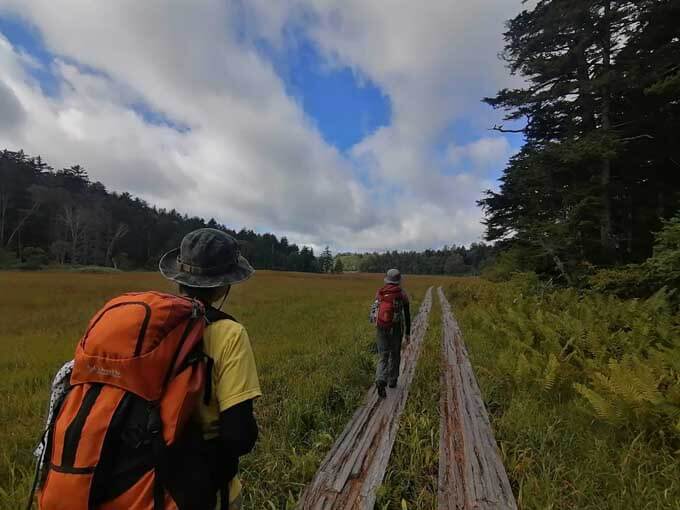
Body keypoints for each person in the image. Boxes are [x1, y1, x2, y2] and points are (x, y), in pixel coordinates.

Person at [159, 228, 261, 509]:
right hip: (206, 491)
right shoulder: (229, 333)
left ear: (179, 279)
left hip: (146, 485)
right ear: (224, 285)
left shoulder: (153, 327)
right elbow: (238, 435)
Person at [370, 268, 411, 398]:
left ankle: (381, 379)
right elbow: (407, 315)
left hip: (381, 327)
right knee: (395, 354)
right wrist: (407, 333)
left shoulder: (379, 293)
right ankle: (392, 381)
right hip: (396, 328)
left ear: (387, 279)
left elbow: (375, 311)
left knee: (383, 355)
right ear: (398, 280)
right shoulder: (402, 294)